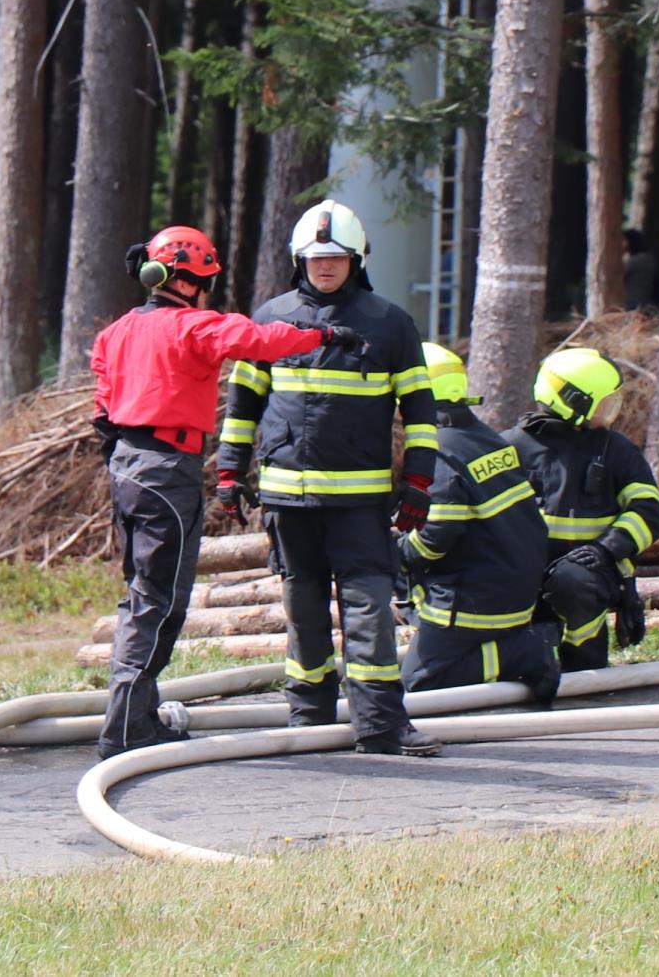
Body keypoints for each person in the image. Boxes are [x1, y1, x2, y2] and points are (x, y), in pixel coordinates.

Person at [90, 225, 361, 759]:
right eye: (207, 282)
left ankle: (136, 713)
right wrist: (326, 337)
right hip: (168, 470)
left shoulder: (116, 332)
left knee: (142, 593)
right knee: (159, 600)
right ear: (189, 280)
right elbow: (257, 340)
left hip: (127, 466)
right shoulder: (192, 327)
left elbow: (103, 402)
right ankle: (125, 728)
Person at [215, 199, 442, 757]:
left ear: (357, 258)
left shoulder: (390, 324)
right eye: (316, 256)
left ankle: (381, 725)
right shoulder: (269, 320)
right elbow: (243, 404)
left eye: (336, 256)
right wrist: (228, 470)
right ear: (299, 258)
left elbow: (420, 414)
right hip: (288, 500)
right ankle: (310, 719)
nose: (325, 265)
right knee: (304, 608)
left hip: (361, 503)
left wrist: (418, 483)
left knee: (369, 611)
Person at [397, 342, 560, 705]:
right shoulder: (484, 437)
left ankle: (523, 653)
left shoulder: (438, 449)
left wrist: (398, 554)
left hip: (473, 601)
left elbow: (438, 534)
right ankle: (513, 644)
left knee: (420, 684)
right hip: (510, 591)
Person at [503, 347, 659, 672]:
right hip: (520, 574)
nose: (610, 413)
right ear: (573, 400)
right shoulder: (509, 449)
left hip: (587, 573)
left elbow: (649, 512)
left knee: (573, 582)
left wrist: (607, 550)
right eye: (604, 403)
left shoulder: (615, 449)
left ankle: (585, 667)